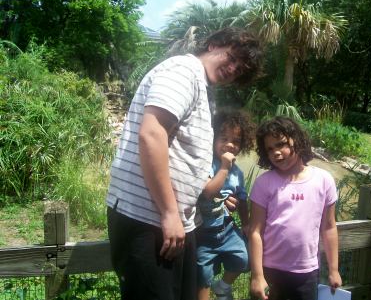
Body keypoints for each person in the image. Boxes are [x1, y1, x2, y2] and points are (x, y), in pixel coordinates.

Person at [106, 27, 263, 300]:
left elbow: (186, 155)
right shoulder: (183, 71)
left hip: (176, 223)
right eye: (233, 57)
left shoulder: (203, 87)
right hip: (149, 219)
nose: (233, 69)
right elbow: (152, 134)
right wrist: (169, 213)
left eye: (240, 70)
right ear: (214, 44)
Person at [248, 116, 342, 300]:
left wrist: (334, 270)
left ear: (297, 140)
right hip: (270, 271)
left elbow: (329, 227)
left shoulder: (324, 180)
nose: (276, 152)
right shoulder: (263, 183)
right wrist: (257, 276)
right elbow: (255, 232)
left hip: (307, 272)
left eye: (281, 144)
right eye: (270, 149)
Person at [196, 109, 255, 300]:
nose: (230, 144)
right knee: (202, 275)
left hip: (227, 229)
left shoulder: (237, 173)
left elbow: (243, 199)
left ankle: (223, 286)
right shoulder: (205, 164)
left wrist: (246, 223)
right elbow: (208, 192)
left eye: (236, 141)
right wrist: (224, 168)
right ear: (212, 139)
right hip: (202, 233)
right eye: (224, 138)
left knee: (243, 258)